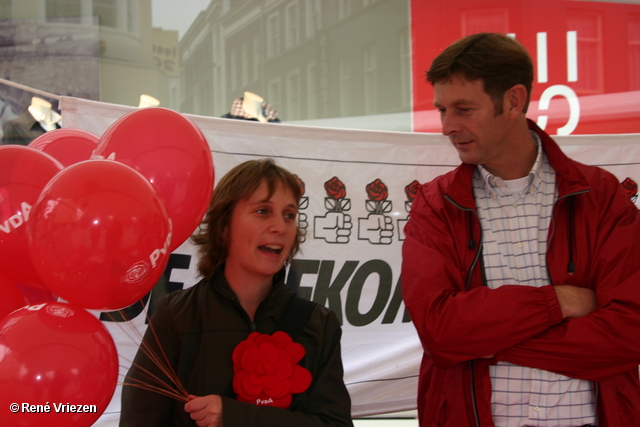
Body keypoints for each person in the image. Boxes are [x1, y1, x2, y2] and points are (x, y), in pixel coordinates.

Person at [401, 32, 640, 427]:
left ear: (513, 101)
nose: (447, 126)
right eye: (442, 110)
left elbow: (629, 331)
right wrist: (556, 303)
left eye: (463, 109)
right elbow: (440, 331)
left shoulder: (600, 196)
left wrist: (487, 343)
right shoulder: (435, 204)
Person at [120, 159, 353, 427]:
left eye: (289, 215)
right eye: (263, 211)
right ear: (224, 225)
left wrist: (233, 417)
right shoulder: (177, 315)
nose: (280, 226)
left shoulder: (319, 323)